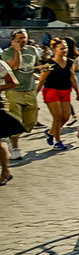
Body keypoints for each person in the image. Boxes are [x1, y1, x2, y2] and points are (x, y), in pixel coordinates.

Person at [2, 29, 40, 160]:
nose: (23, 41)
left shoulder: (32, 50)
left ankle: (9, 135)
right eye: (19, 39)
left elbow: (32, 66)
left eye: (24, 38)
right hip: (14, 92)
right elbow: (15, 67)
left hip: (30, 89)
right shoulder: (7, 53)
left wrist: (39, 72)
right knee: (16, 121)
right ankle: (15, 147)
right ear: (13, 41)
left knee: (31, 122)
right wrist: (17, 50)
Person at [36, 39, 79, 150]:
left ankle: (51, 132)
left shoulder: (70, 62)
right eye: (61, 48)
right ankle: (58, 142)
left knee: (66, 117)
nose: (64, 50)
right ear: (54, 50)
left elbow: (72, 78)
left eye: (65, 48)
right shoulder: (49, 64)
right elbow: (41, 80)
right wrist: (34, 95)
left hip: (65, 91)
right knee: (58, 117)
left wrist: (78, 92)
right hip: (51, 91)